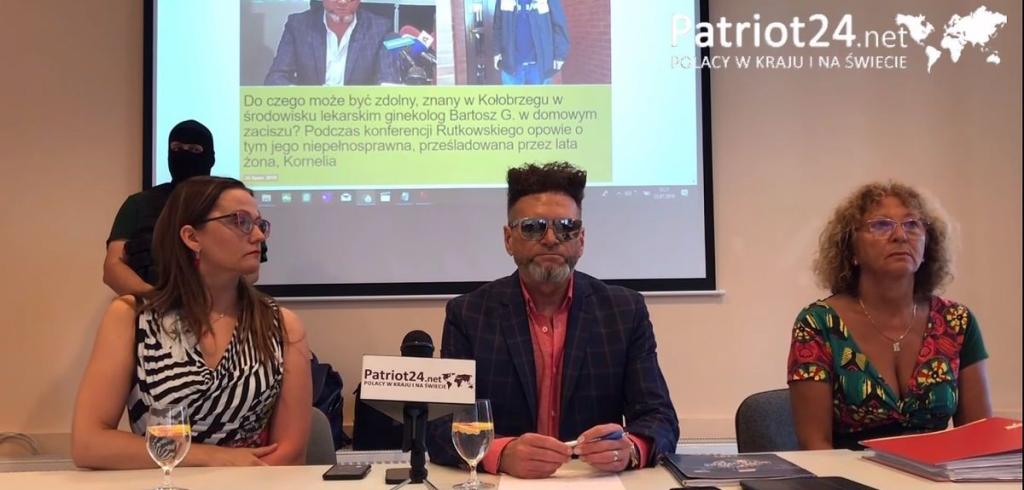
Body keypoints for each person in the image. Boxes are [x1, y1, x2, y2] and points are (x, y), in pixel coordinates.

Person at [426, 162, 678, 478]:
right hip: (507, 482)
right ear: (508, 239)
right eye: (533, 227)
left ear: (581, 239)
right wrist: (501, 453)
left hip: (593, 480)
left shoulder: (624, 312)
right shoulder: (468, 314)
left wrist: (629, 449)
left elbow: (660, 419)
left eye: (566, 227)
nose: (550, 239)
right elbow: (440, 427)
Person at [73, 177, 312, 468]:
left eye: (260, 224)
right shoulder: (131, 318)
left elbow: (290, 453)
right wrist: (215, 458)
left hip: (251, 483)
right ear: (192, 237)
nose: (259, 236)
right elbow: (89, 443)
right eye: (241, 221)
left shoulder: (281, 326)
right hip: (164, 483)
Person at [788, 182, 992, 450]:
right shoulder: (817, 324)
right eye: (881, 225)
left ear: (927, 245)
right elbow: (815, 444)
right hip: (847, 473)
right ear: (851, 250)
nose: (900, 235)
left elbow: (979, 439)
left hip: (935, 473)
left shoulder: (956, 322)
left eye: (912, 224)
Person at [105, 120, 216, 295]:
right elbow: (113, 268)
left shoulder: (228, 202)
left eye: (194, 149)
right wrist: (158, 298)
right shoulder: (139, 204)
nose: (184, 155)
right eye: (177, 148)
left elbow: (248, 269)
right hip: (152, 305)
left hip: (216, 306)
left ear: (210, 158)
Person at [264, 0, 400, 86]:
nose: (342, 2)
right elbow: (276, 78)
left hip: (359, 115)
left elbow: (387, 83)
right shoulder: (299, 26)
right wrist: (302, 99)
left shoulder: (379, 29)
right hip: (309, 115)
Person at [493, 0, 570, 85]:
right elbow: (498, 25)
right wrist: (496, 51)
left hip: (539, 66)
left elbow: (559, 24)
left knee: (540, 94)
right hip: (511, 65)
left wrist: (559, 55)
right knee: (511, 94)